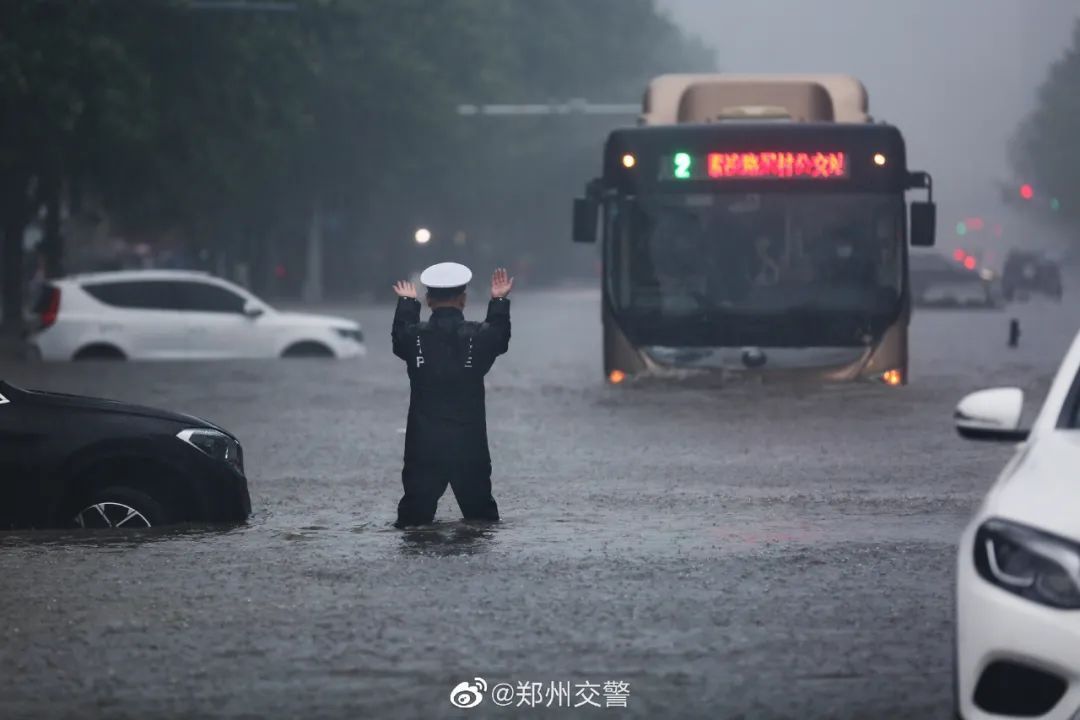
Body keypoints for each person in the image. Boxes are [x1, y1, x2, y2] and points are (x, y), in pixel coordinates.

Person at [390, 263, 513, 527]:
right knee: (482, 521)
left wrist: (407, 304)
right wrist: (499, 300)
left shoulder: (415, 337)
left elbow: (400, 337)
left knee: (412, 522)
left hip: (423, 443)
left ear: (428, 300)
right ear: (464, 300)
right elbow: (499, 337)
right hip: (469, 442)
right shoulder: (477, 336)